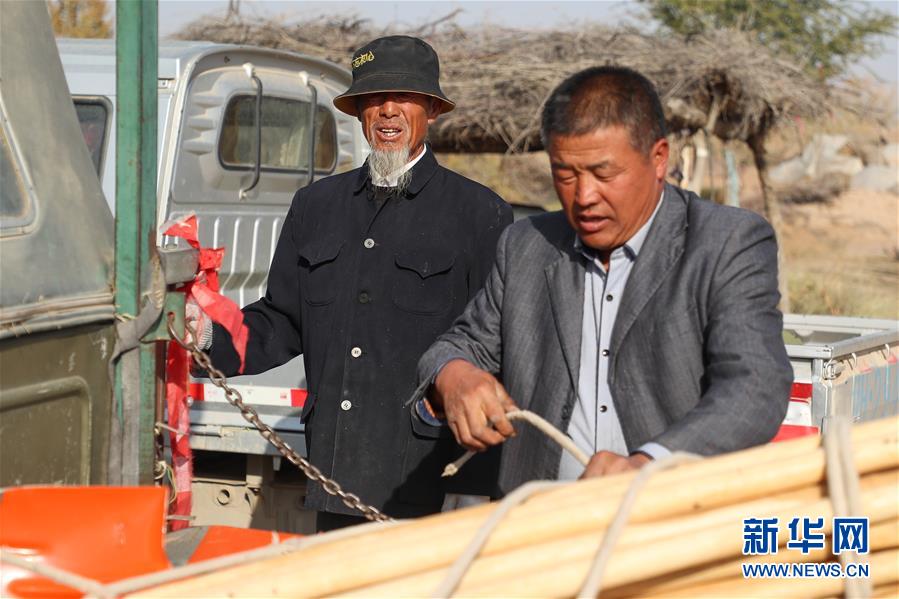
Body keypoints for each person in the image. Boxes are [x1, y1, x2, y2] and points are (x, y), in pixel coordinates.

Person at [412, 65, 792, 492]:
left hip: (675, 512)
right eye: (565, 174)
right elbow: (459, 346)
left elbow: (754, 385)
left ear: (659, 158)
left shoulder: (725, 242)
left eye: (604, 174)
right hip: (542, 517)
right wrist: (454, 376)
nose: (584, 196)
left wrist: (651, 463)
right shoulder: (525, 246)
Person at [200, 35, 513, 530]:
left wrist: (472, 488)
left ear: (432, 109)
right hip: (335, 475)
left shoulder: (480, 213)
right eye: (373, 99)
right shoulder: (316, 206)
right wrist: (204, 335)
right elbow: (281, 322)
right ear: (359, 112)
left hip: (429, 481)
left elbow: (498, 351)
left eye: (403, 97)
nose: (387, 111)